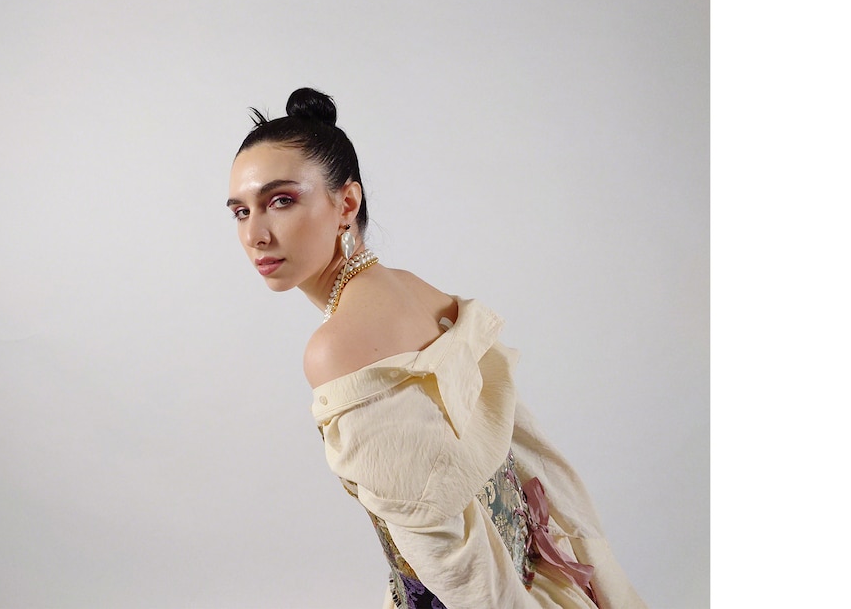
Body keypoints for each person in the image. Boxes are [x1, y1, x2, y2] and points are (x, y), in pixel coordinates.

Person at [226, 87, 648, 609]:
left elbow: (448, 553)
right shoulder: (413, 289)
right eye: (240, 212)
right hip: (541, 583)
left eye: (280, 201)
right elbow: (524, 457)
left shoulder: (335, 348)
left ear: (346, 203)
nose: (255, 235)